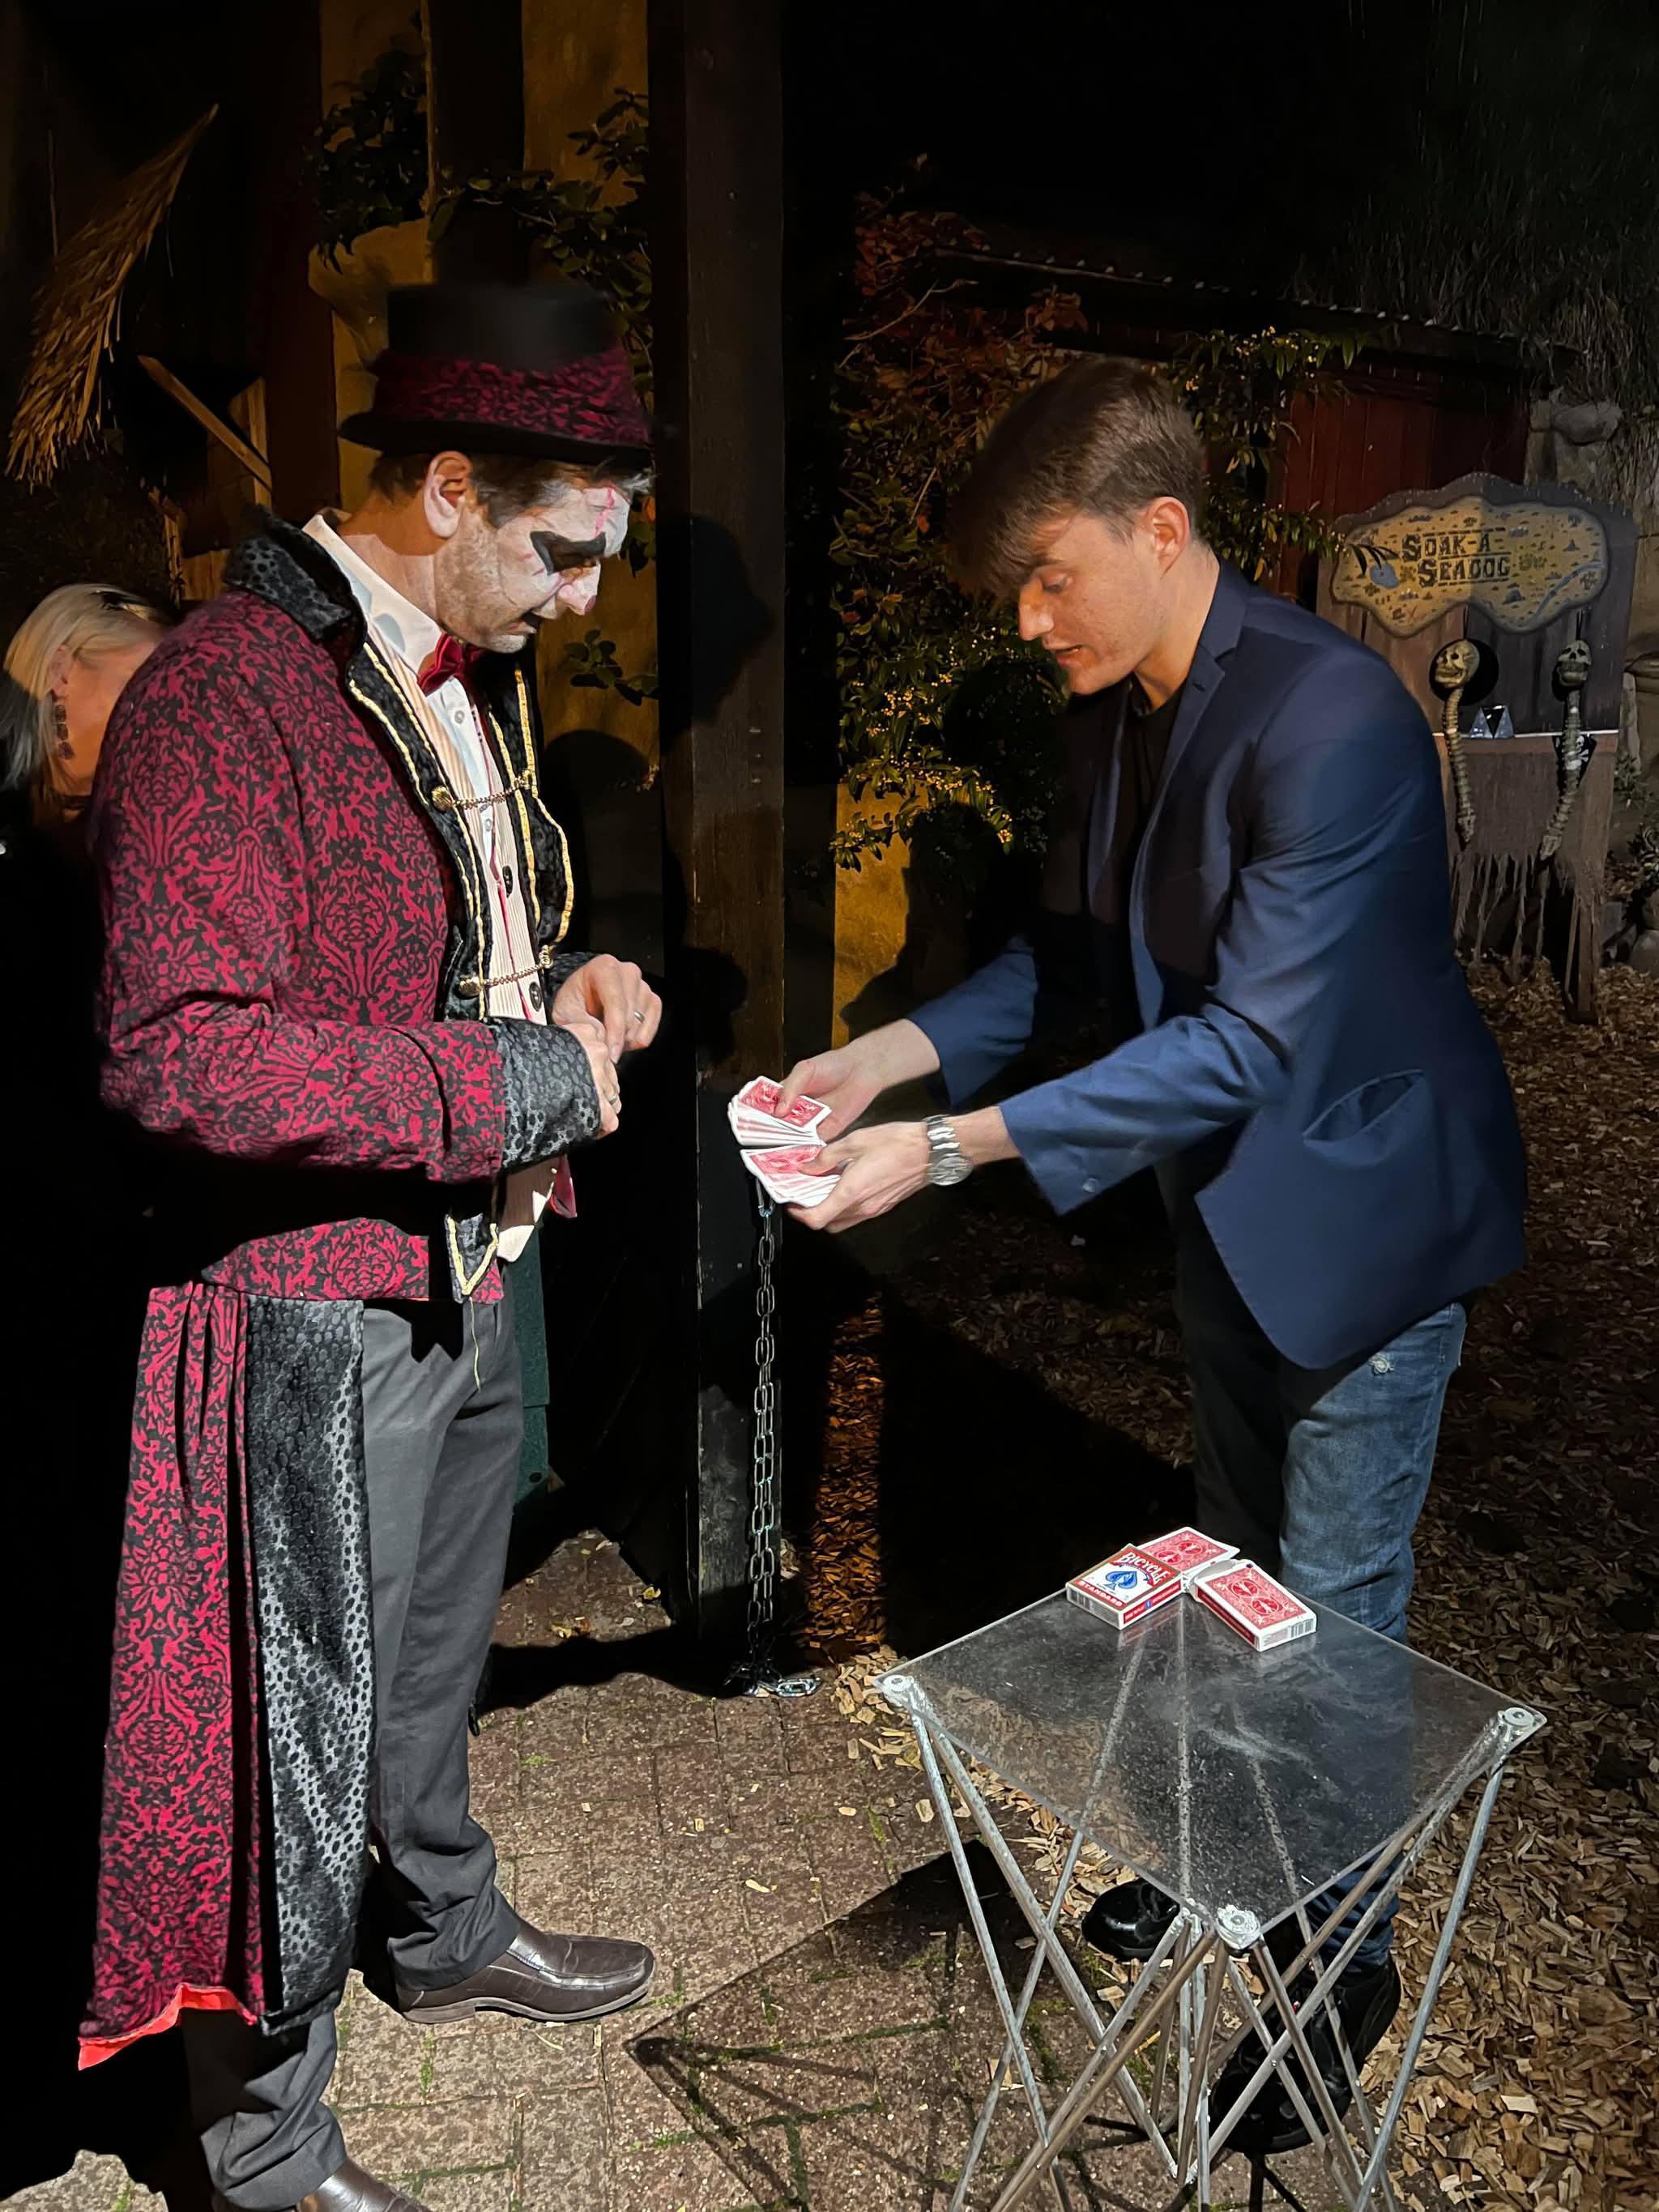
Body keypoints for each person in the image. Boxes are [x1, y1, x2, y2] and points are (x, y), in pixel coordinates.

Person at [778, 360, 1526, 2153]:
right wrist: (887, 1055)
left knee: (1333, 1627)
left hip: (1357, 1228)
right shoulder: (1110, 711)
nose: (1030, 621)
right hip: (1225, 1221)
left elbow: (1253, 1041)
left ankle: (1324, 1997)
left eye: (1050, 576)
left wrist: (951, 1147)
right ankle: (1220, 1879)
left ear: (1161, 528)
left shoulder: (1330, 718)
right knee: (1233, 1583)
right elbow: (1070, 968)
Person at [86, 280, 663, 2212]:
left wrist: (557, 989)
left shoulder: (467, 681)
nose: (586, 599)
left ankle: (443, 1921)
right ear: (444, 485)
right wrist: (501, 1089)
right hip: (313, 1308)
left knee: (424, 1670)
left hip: (473, 1269)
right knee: (295, 1725)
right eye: (566, 550)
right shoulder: (221, 695)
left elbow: (435, 959)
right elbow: (174, 1050)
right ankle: (260, 2145)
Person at [1, 584, 181, 2193]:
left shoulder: (110, 866)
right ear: (61, 686)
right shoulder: (21, 882)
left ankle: (111, 2049)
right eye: (149, 687)